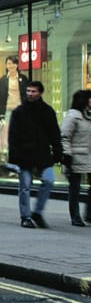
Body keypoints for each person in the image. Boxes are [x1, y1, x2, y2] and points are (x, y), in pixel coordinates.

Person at [8, 81, 63, 228]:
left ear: (40, 93)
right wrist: (14, 156)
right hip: (24, 155)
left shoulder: (48, 111)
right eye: (28, 91)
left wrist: (58, 153)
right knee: (25, 185)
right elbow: (13, 136)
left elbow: (55, 135)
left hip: (43, 154)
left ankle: (37, 212)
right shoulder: (19, 112)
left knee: (49, 180)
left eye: (33, 91)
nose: (30, 94)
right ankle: (25, 216)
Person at [60, 89, 91, 226]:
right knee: (75, 188)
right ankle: (75, 216)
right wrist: (67, 154)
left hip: (88, 155)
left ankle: (89, 214)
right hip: (76, 156)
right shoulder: (73, 116)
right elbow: (64, 137)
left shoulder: (89, 115)